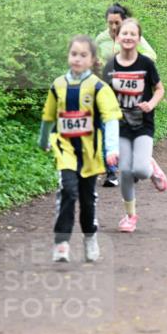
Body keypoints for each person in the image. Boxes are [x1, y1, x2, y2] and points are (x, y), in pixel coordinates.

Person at [40, 35, 122, 262]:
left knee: (87, 200)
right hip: (65, 149)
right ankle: (62, 242)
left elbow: (111, 119)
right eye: (73, 54)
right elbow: (48, 117)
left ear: (92, 59)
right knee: (67, 190)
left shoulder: (99, 88)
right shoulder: (57, 86)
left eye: (83, 55)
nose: (77, 59)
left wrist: (112, 149)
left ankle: (89, 237)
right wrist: (43, 140)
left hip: (91, 154)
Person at [101, 18, 167, 233]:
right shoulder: (110, 66)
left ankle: (152, 169)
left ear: (139, 38)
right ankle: (130, 216)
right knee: (126, 172)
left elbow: (159, 89)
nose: (128, 37)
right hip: (120, 126)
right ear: (117, 37)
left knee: (139, 168)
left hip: (142, 124)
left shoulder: (146, 64)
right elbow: (103, 95)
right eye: (124, 33)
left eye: (133, 34)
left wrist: (151, 103)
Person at [96, 3, 156, 187]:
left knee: (131, 130)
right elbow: (92, 58)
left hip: (133, 93)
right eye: (110, 23)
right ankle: (111, 172)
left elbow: (152, 56)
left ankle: (138, 164)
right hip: (108, 90)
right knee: (108, 129)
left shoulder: (133, 37)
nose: (113, 27)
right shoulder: (100, 39)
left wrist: (128, 55)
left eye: (117, 23)